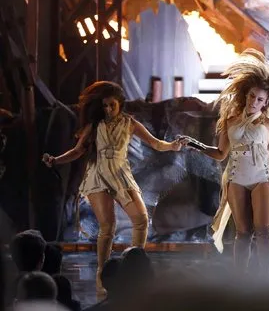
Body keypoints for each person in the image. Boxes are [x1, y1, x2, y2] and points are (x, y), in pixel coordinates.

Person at [41, 81, 186, 295]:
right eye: (104, 106)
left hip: (121, 175)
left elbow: (155, 143)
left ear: (120, 104)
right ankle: (102, 274)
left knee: (141, 219)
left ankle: (135, 268)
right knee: (107, 226)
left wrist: (172, 146)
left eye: (112, 105)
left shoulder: (130, 123)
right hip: (98, 174)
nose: (108, 109)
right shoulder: (94, 125)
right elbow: (77, 151)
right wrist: (55, 160)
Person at [192, 49, 269, 273]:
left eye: (260, 99)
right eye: (251, 96)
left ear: (266, 103)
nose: (254, 102)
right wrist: (194, 144)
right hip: (237, 177)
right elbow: (220, 153)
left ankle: (265, 280)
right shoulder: (230, 120)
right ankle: (242, 282)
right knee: (243, 232)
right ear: (245, 94)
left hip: (263, 176)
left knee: (264, 231)